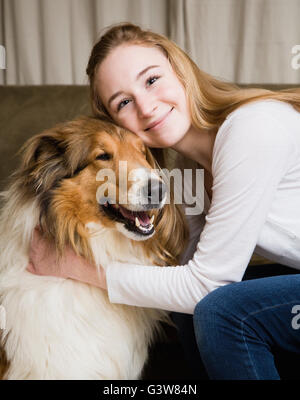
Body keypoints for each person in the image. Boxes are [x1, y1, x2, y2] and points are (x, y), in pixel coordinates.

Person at [27, 23, 300, 380]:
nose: (146, 106)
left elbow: (207, 285)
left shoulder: (251, 130)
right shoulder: (192, 164)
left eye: (151, 80)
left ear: (180, 70)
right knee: (193, 307)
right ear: (116, 125)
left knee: (221, 311)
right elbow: (185, 272)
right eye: (123, 102)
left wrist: (75, 267)